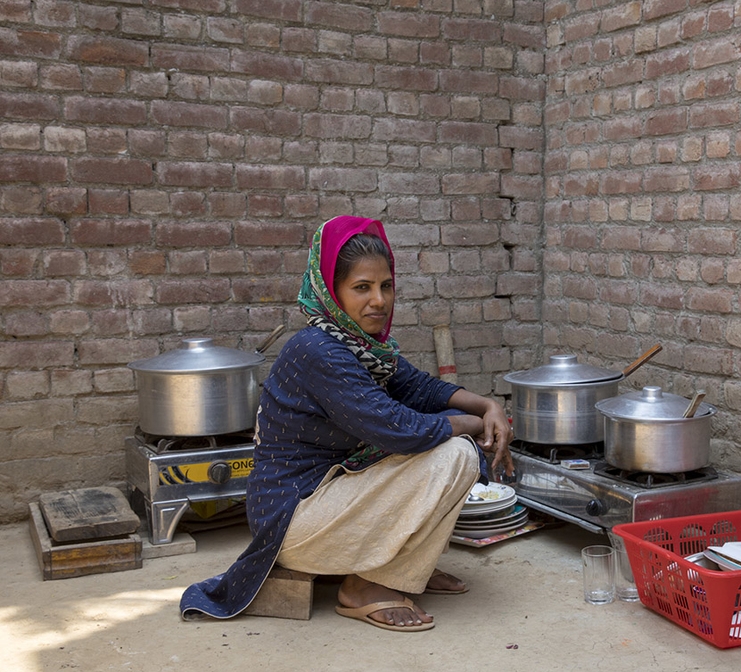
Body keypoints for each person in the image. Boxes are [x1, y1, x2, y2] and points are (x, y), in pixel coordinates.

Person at [180, 215, 514, 631]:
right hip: (295, 521)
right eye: (362, 288)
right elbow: (399, 428)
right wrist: (472, 423)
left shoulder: (364, 346)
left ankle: (407, 570)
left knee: (448, 435)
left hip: (329, 497)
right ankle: (365, 586)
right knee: (453, 452)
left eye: (386, 286)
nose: (379, 300)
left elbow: (418, 387)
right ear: (331, 291)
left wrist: (488, 407)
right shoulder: (318, 350)